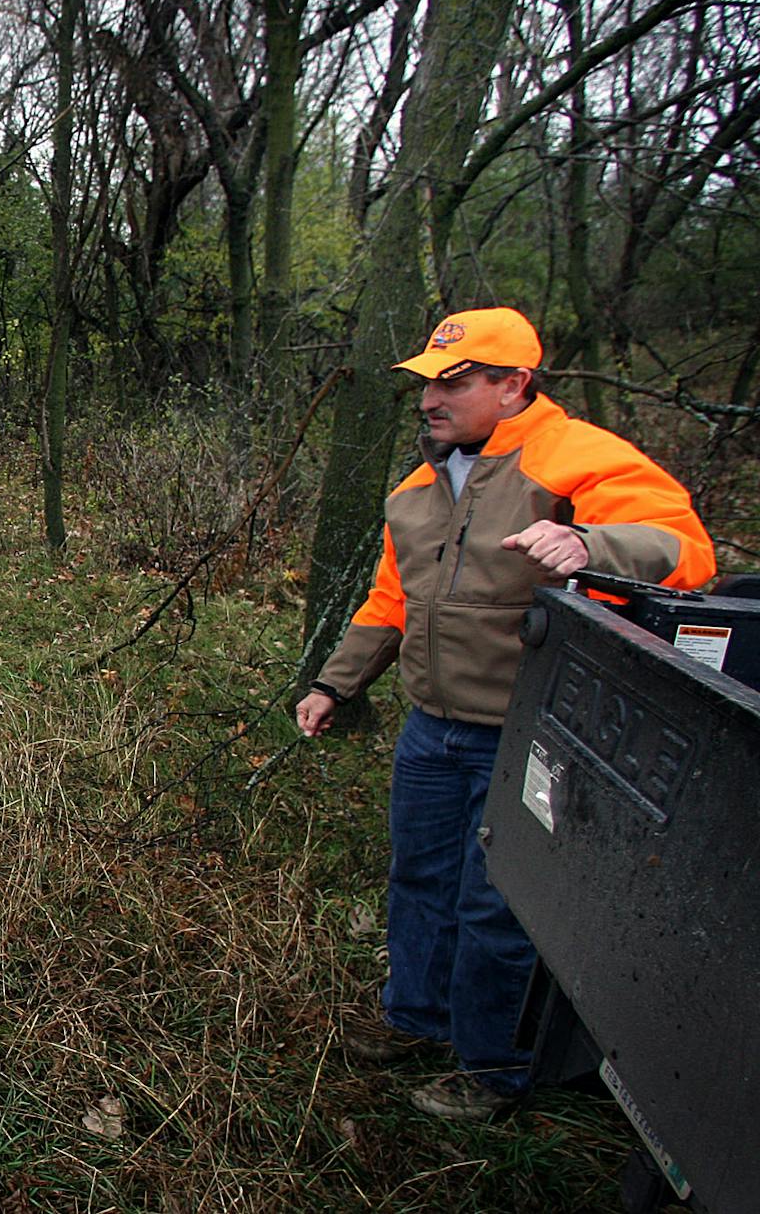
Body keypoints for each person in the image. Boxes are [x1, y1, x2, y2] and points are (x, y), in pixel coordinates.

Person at [296, 307, 714, 1120]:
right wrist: (334, 685)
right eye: (428, 382)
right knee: (419, 877)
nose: (431, 399)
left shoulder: (575, 458)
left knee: (498, 901)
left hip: (531, 732)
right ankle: (415, 1017)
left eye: (454, 382)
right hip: (430, 729)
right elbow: (391, 604)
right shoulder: (417, 491)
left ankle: (494, 1065)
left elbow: (684, 546)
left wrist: (593, 545)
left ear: (514, 384)